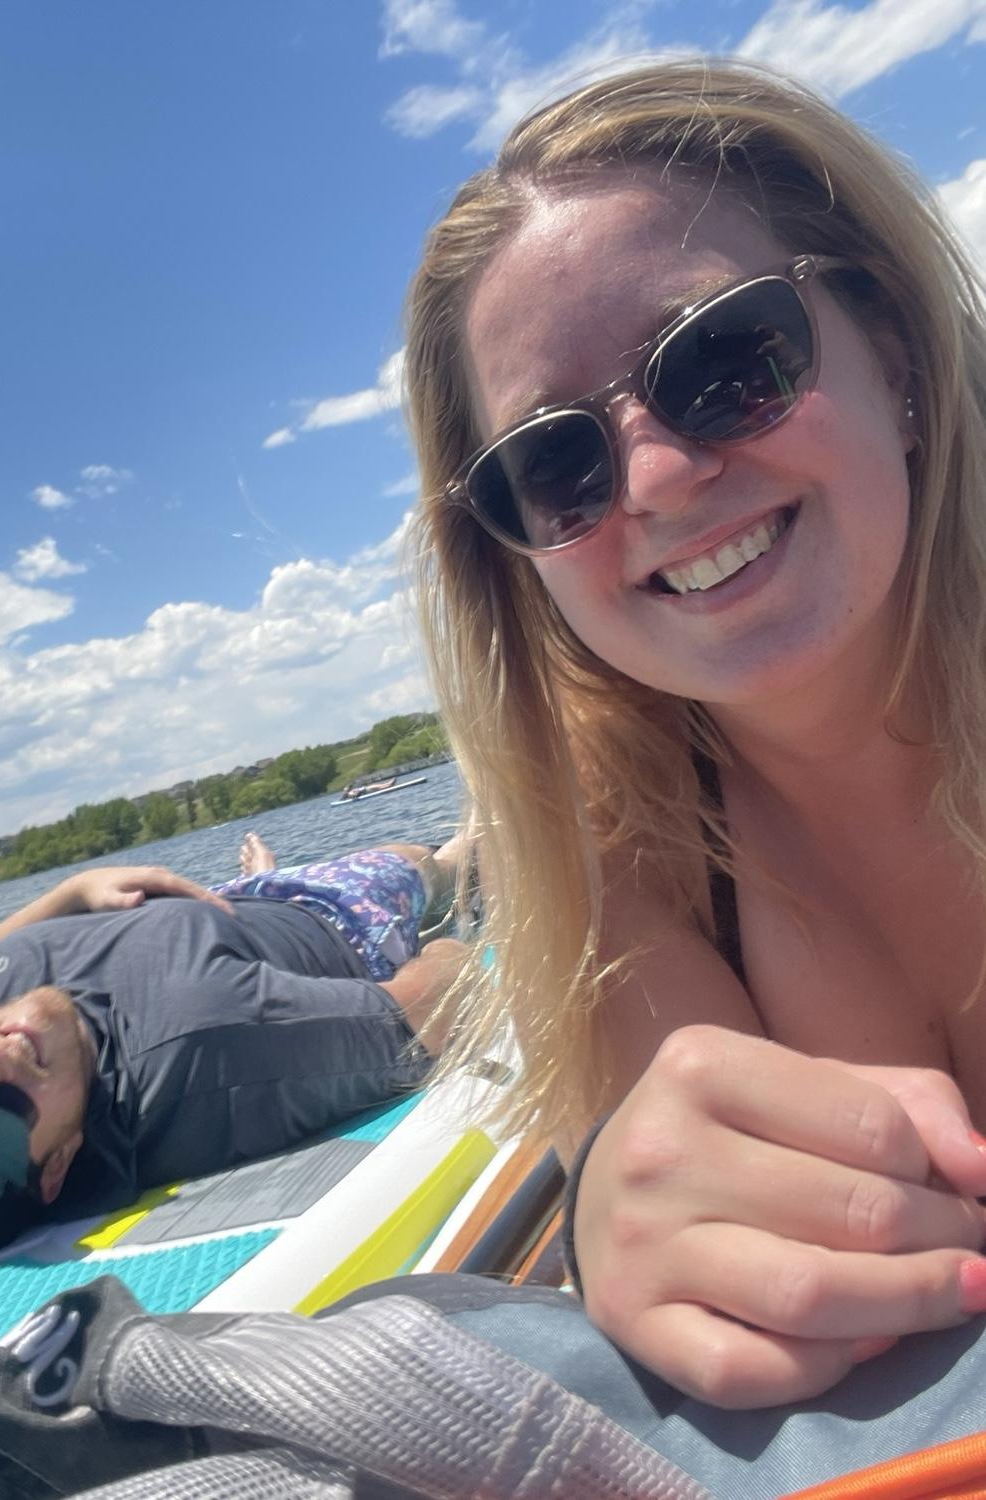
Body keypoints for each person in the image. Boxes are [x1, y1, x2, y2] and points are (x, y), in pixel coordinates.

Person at [405, 58, 986, 1409]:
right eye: (557, 466)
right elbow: (648, 1135)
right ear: (518, 559)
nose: (660, 483)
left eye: (725, 364)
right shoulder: (624, 852)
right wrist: (613, 1197)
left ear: (890, 347)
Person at [0, 833, 467, 1267]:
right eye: (4, 1106)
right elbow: (436, 1004)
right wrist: (446, 941)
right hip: (324, 911)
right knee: (431, 862)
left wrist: (72, 892)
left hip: (196, 905)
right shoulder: (213, 1041)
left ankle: (256, 869)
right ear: (60, 1163)